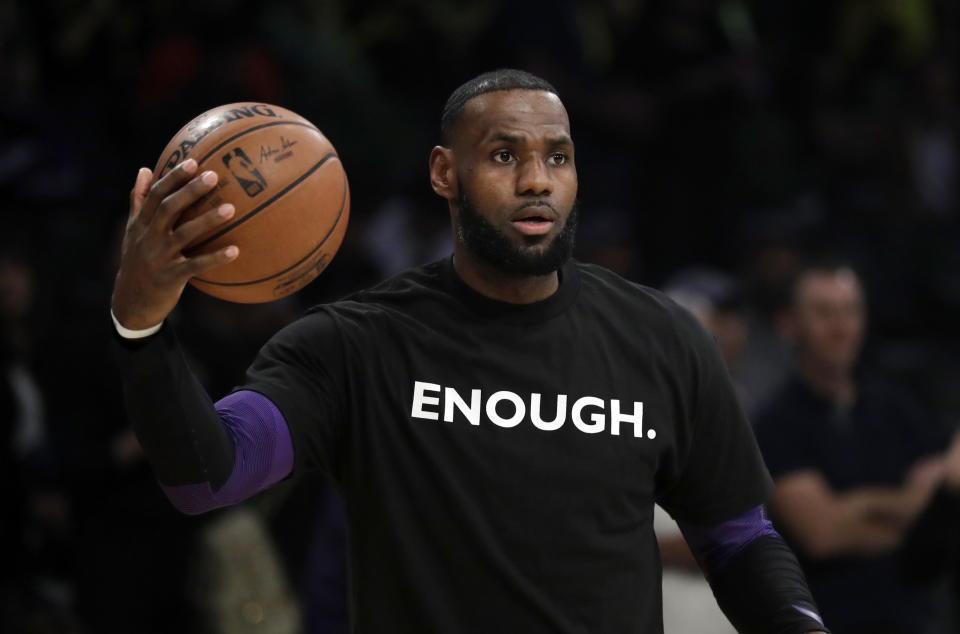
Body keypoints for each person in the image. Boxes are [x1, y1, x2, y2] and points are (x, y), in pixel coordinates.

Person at [110, 69, 828, 633]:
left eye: (558, 156)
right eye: (504, 154)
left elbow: (736, 538)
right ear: (444, 174)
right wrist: (142, 325)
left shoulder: (663, 337)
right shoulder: (355, 346)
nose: (537, 180)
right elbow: (207, 475)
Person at [753, 259, 946, 634]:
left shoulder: (897, 408)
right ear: (790, 324)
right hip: (828, 622)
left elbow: (944, 511)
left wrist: (859, 506)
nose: (841, 327)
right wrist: (909, 507)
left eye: (850, 311)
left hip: (915, 618)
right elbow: (822, 535)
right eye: (824, 313)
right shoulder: (776, 423)